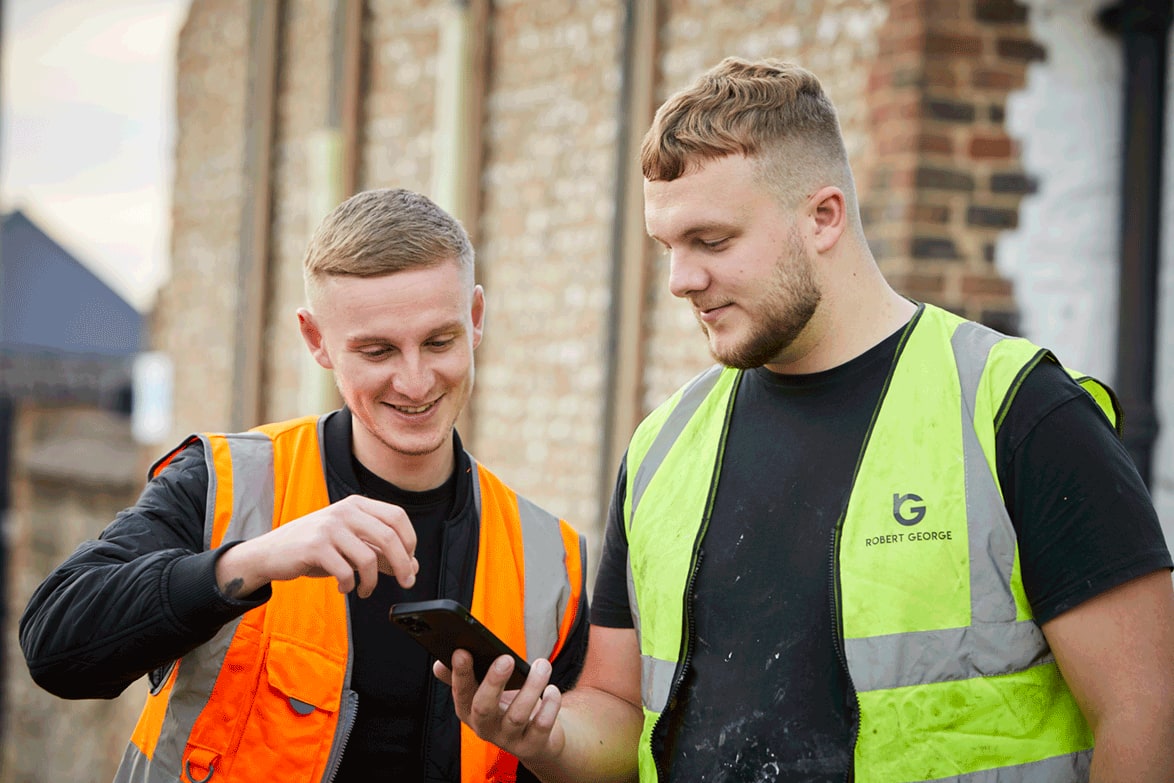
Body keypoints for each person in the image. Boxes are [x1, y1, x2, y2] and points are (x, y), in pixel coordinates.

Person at [438, 57, 1174, 782]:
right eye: (669, 246)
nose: (680, 280)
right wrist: (544, 734)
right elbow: (615, 708)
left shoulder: (1018, 411)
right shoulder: (663, 447)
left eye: (712, 241)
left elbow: (1147, 711)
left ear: (823, 217)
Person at [19, 188, 589, 783]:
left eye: (439, 342)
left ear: (475, 319)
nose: (416, 380)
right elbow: (56, 649)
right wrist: (251, 561)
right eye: (377, 350)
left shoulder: (554, 559)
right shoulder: (224, 482)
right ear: (315, 340)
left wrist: (545, 748)